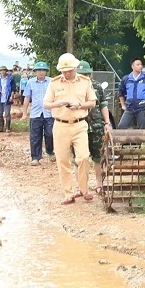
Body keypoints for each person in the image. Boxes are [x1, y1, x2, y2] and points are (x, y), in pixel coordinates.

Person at [43, 53, 96, 204]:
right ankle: (68, 193)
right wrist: (58, 103)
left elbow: (92, 102)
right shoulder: (54, 83)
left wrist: (79, 105)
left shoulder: (85, 82)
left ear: (75, 68)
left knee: (83, 157)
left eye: (70, 70)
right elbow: (45, 103)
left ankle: (84, 189)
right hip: (60, 125)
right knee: (63, 160)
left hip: (79, 124)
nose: (67, 73)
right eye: (64, 71)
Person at [77, 61, 112, 196]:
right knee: (79, 158)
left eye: (86, 74)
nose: (85, 77)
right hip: (79, 125)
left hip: (96, 125)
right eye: (81, 74)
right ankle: (81, 187)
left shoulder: (97, 86)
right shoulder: (73, 88)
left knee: (98, 156)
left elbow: (103, 105)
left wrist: (107, 123)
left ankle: (99, 184)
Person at [23, 62, 54, 165]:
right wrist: (24, 113)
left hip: (49, 113)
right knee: (35, 136)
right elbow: (27, 97)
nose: (41, 72)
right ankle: (35, 157)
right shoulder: (30, 82)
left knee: (50, 134)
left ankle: (50, 151)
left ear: (46, 71)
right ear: (35, 71)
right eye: (39, 70)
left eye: (43, 70)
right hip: (35, 113)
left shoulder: (51, 82)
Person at [118, 58, 145, 129]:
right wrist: (123, 105)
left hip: (143, 108)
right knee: (122, 126)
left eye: (141, 65)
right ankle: (129, 139)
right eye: (138, 65)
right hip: (129, 107)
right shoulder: (126, 79)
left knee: (142, 128)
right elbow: (121, 92)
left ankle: (140, 140)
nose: (141, 66)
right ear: (132, 66)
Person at [0, 65, 15, 132]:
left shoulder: (10, 78)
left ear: (6, 71)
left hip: (7, 98)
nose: (2, 72)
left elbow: (13, 89)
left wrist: (11, 96)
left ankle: (8, 128)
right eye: (1, 71)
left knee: (7, 114)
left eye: (4, 70)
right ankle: (1, 127)